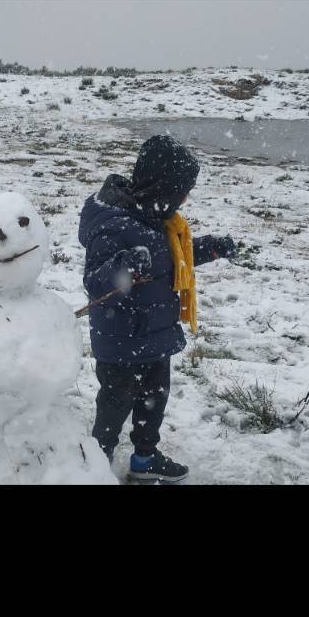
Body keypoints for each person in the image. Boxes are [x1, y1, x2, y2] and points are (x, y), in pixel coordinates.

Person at [78, 134, 236, 483]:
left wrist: (213, 248)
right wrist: (126, 266)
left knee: (154, 399)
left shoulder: (154, 217)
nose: (184, 198)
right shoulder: (113, 224)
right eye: (181, 191)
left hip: (155, 335)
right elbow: (96, 282)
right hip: (121, 340)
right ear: (160, 185)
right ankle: (93, 467)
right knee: (114, 406)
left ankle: (144, 458)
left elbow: (172, 259)